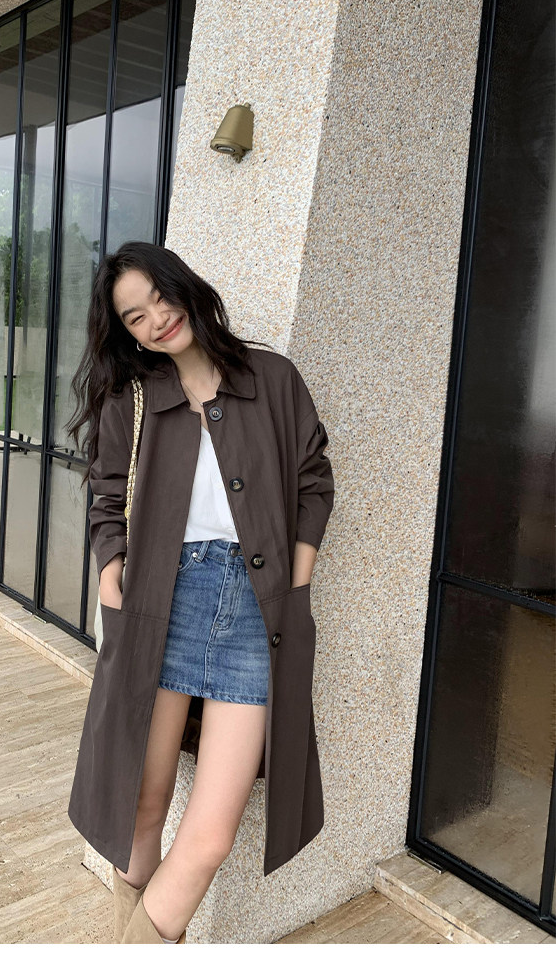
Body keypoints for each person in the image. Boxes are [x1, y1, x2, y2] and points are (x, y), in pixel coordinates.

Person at [66, 241, 335, 944]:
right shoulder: (131, 399)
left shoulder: (272, 378)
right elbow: (107, 499)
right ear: (127, 334)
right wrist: (111, 575)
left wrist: (296, 583)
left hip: (253, 613)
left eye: (160, 297)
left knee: (211, 835)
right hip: (161, 604)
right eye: (135, 316)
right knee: (140, 806)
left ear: (184, 288)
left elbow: (313, 481)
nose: (156, 318)